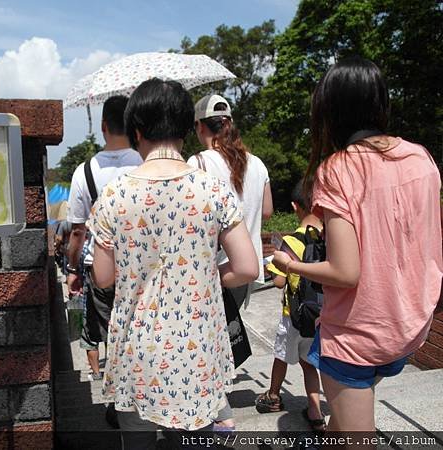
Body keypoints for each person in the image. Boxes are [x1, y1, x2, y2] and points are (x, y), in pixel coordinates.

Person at [272, 57, 442, 441]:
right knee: (343, 426)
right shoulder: (421, 157)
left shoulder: (338, 169)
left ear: (329, 111)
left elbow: (345, 272)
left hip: (358, 339)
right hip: (411, 326)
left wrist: (290, 264)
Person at [88, 78, 259, 450]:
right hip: (196, 348)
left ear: (136, 130)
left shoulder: (115, 193)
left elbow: (102, 278)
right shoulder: (212, 188)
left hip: (136, 348)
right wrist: (203, 274)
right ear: (185, 128)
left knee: (137, 441)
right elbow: (247, 267)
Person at [188, 93, 273, 431]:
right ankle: (217, 404)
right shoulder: (258, 164)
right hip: (245, 269)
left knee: (206, 340)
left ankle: (218, 414)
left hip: (213, 270)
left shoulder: (199, 163)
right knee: (221, 336)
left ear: (198, 126)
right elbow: (266, 211)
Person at [66, 95, 142, 381]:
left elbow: (77, 232)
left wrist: (72, 270)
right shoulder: (146, 162)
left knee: (112, 329)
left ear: (103, 126)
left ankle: (118, 396)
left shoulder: (84, 172)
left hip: (101, 266)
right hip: (141, 262)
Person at [255, 181, 325, 432]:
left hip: (293, 315)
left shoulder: (292, 241)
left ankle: (273, 396)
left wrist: (278, 258)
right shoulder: (327, 236)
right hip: (318, 315)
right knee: (309, 363)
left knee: (281, 357)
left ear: (295, 206)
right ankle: (316, 410)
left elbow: (278, 282)